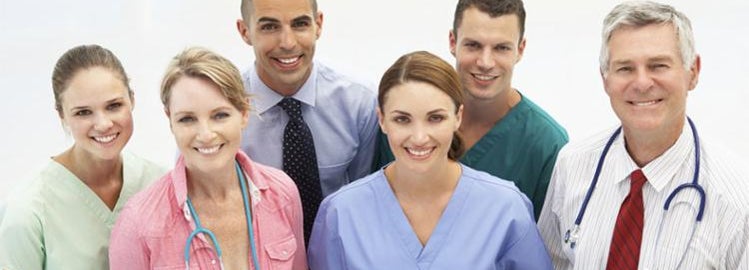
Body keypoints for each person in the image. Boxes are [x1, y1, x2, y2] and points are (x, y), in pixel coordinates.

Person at [538, 1, 749, 269]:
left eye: (658, 65)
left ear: (693, 72)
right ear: (605, 79)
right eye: (625, 68)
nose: (641, 83)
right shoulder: (573, 165)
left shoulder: (738, 199)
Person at [309, 51, 552, 269]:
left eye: (435, 118)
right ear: (381, 119)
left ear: (458, 117)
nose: (419, 137)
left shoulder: (505, 208)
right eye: (402, 119)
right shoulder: (341, 213)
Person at [109, 47, 307, 270]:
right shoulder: (138, 223)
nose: (205, 135)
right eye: (187, 119)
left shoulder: (282, 193)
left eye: (220, 115)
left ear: (243, 113)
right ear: (170, 120)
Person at [373, 0, 568, 220]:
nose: (485, 62)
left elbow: (545, 245)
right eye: (473, 45)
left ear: (520, 49)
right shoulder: (401, 119)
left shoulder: (545, 144)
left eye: (501, 47)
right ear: (452, 41)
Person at [0, 44, 165, 269]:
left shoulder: (159, 184)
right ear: (62, 115)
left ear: (132, 100)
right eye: (83, 112)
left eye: (114, 106)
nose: (104, 124)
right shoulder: (29, 210)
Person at [235, 0, 379, 242]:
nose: (288, 43)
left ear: (318, 25)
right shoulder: (220, 110)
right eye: (270, 27)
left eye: (300, 24)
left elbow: (366, 196)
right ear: (245, 31)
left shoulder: (360, 103)